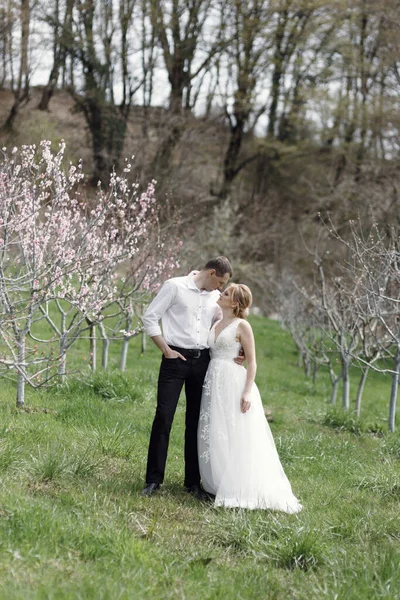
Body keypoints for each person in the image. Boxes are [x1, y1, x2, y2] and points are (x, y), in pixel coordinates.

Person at [198, 283, 302, 512]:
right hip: (214, 383)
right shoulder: (216, 322)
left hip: (234, 382)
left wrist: (247, 391)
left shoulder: (242, 326)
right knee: (216, 430)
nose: (221, 294)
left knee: (236, 432)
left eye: (225, 293)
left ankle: (239, 485)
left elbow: (252, 361)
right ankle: (217, 481)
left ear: (234, 303)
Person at [141, 256, 234, 499]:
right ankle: (153, 480)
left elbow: (225, 326)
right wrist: (165, 350)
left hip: (203, 361)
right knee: (163, 417)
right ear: (212, 273)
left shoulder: (216, 298)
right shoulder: (175, 286)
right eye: (221, 281)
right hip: (174, 360)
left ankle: (193, 483)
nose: (221, 288)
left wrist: (239, 349)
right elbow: (150, 317)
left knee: (196, 422)